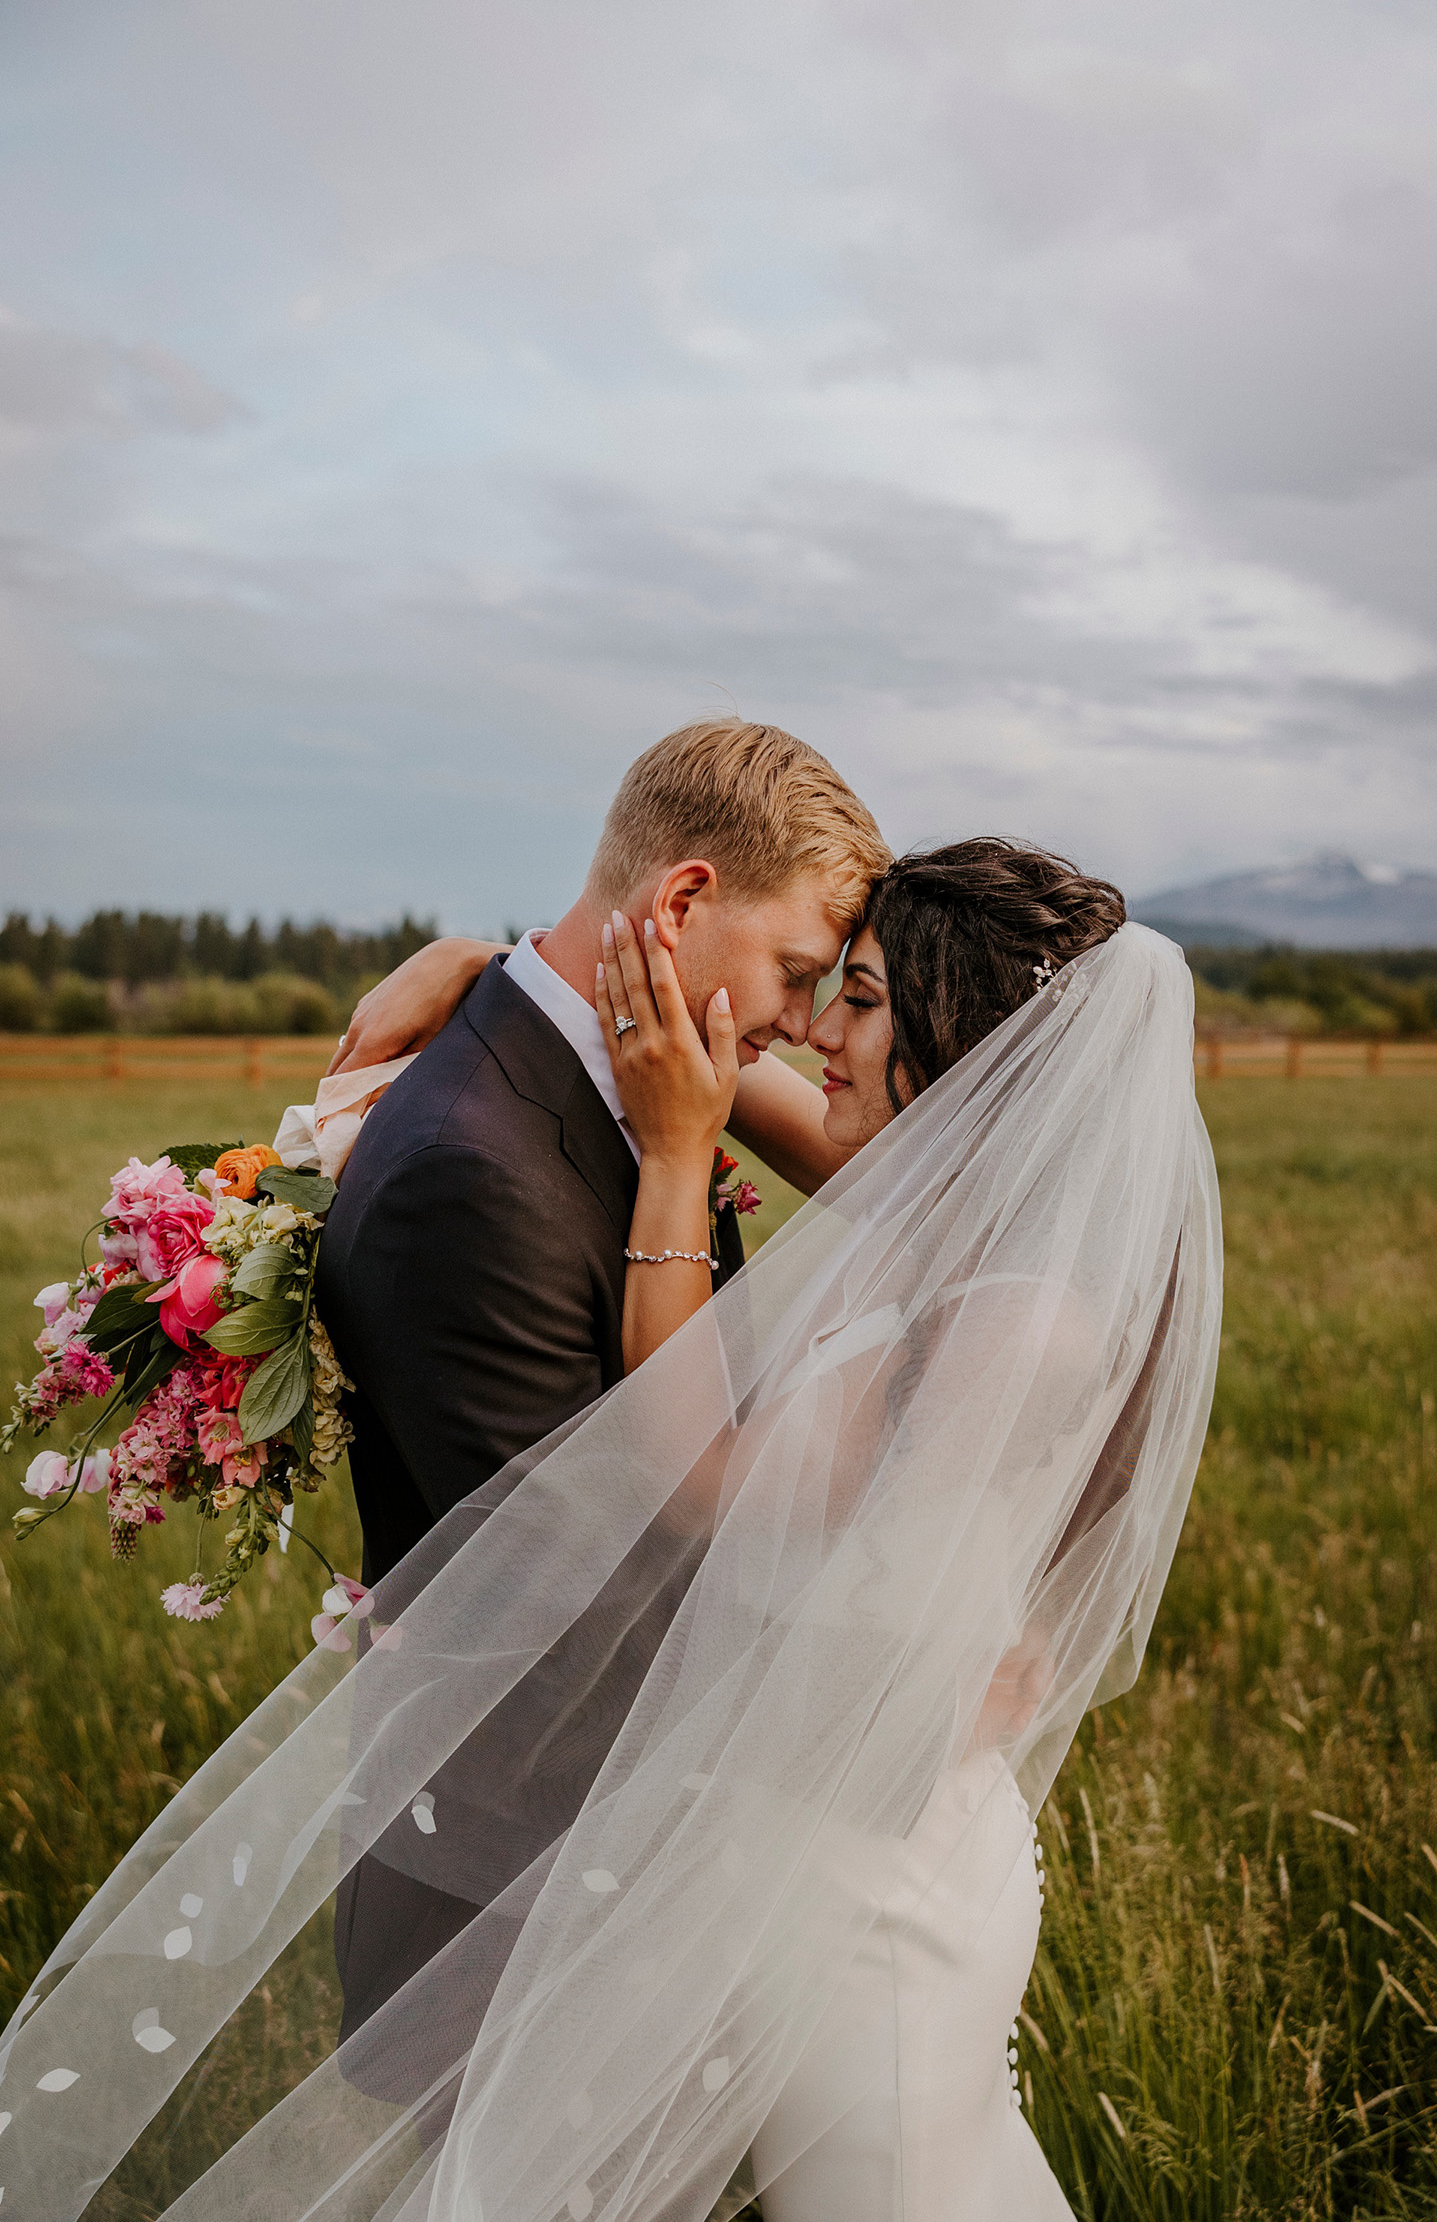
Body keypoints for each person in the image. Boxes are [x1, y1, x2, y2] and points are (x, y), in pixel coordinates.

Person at [0, 837, 1220, 2222]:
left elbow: (703, 1471)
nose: (818, 1029)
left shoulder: (1023, 1317)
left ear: (969, 1044)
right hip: (797, 1850)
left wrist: (682, 1155)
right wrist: (497, 965)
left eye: (862, 999)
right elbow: (659, 1035)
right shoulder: (942, 1201)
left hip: (870, 1879)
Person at [314, 717, 889, 2036]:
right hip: (526, 1907)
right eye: (800, 974)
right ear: (686, 898)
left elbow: (935, 1161)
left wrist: (485, 957)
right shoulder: (472, 1172)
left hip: (647, 1864)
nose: (801, 1028)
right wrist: (904, 1669)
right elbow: (595, 1585)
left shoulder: (660, 1068)